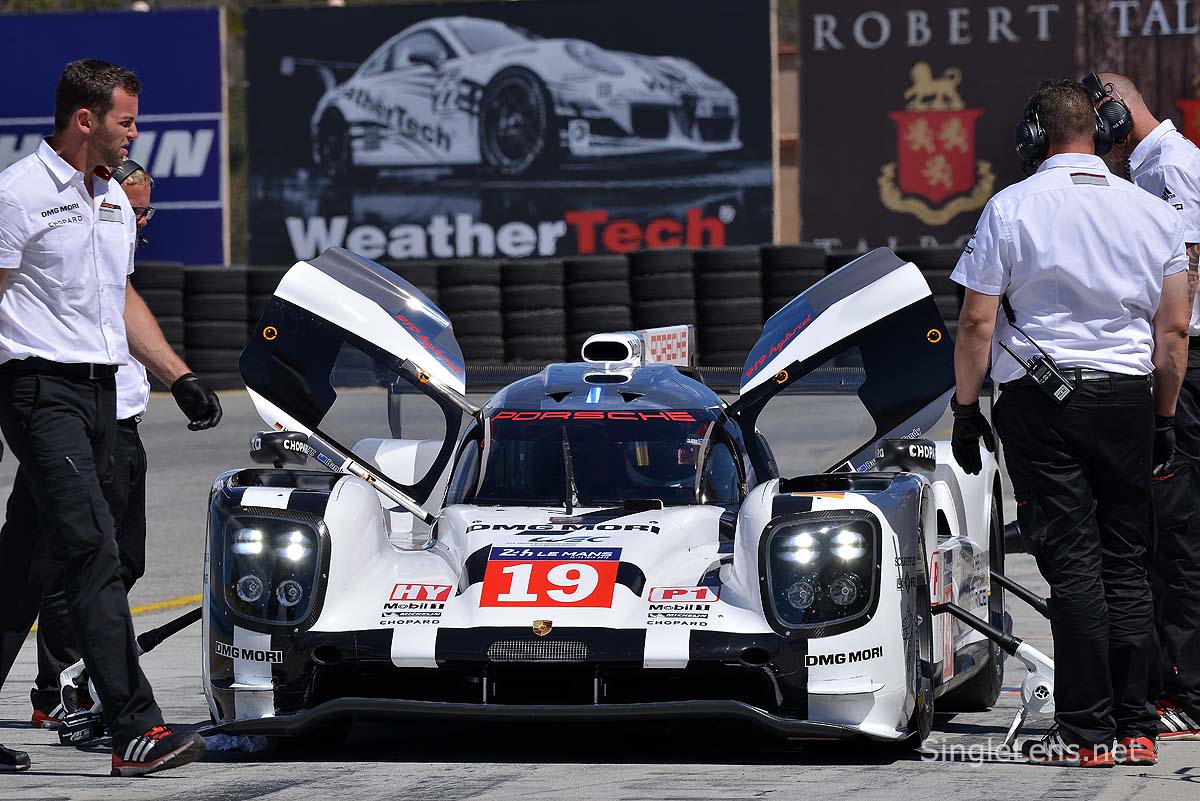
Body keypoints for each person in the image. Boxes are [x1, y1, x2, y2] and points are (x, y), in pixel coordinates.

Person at [949, 79, 1190, 767]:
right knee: (1127, 562)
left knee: (1075, 564)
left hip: (1041, 404)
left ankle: (1085, 732)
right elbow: (1174, 332)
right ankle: (1136, 725)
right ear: (1104, 130)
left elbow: (977, 322)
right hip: (1130, 400)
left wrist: (965, 409)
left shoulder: (1009, 207)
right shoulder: (1154, 212)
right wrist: (1164, 418)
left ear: (1034, 135)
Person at [0, 59, 217, 776]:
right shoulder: (18, 194)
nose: (135, 134)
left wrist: (177, 375)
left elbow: (119, 298)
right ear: (85, 119)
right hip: (40, 393)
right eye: (126, 121)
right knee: (95, 551)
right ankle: (135, 728)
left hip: (103, 397)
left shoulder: (113, 200)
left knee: (21, 570)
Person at [30, 160, 223, 730]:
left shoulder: (116, 251)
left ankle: (74, 681)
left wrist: (178, 378)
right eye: (133, 210)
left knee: (125, 561)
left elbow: (123, 305)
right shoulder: (53, 223)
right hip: (83, 421)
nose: (140, 221)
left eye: (144, 211)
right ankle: (56, 689)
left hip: (125, 422)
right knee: (83, 560)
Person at [1092, 72, 1200, 742]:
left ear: (1114, 113)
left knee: (1176, 530)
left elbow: (1184, 275)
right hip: (1180, 357)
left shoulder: (1170, 167)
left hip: (1185, 362)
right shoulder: (1155, 166)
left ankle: (1187, 691)